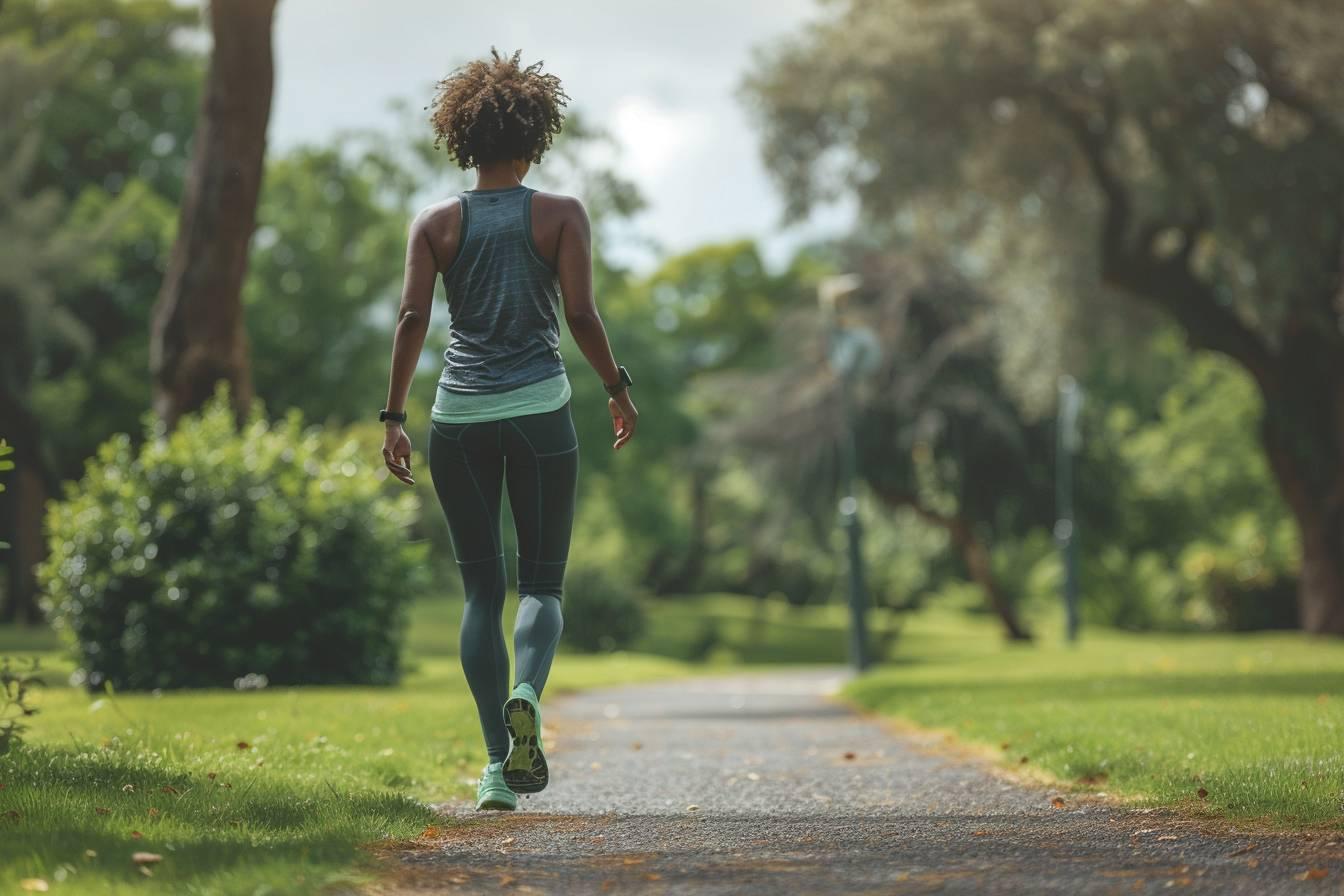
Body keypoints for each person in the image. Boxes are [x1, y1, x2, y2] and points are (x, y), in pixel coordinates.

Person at [378, 49, 638, 811]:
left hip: (457, 419)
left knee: (477, 591)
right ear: (535, 133)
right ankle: (527, 689)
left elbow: (411, 320)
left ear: (462, 137)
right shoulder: (560, 215)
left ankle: (498, 765)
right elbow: (583, 315)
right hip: (539, 414)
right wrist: (618, 388)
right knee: (542, 585)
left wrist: (393, 418)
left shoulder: (434, 224)